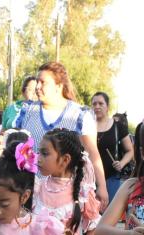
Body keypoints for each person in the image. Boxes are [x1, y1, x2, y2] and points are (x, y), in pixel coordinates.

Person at [14, 62, 109, 207]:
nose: (37, 87)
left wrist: (102, 187)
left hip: (65, 197)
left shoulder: (80, 115)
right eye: (37, 82)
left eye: (43, 82)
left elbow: (92, 153)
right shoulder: (27, 112)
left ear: (58, 86)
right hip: (28, 193)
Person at [92, 91, 135, 235]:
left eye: (100, 103)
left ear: (107, 106)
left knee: (104, 216)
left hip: (111, 177)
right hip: (90, 178)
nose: (97, 107)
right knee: (88, 214)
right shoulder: (87, 126)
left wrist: (122, 162)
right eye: (94, 103)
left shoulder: (118, 127)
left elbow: (130, 151)